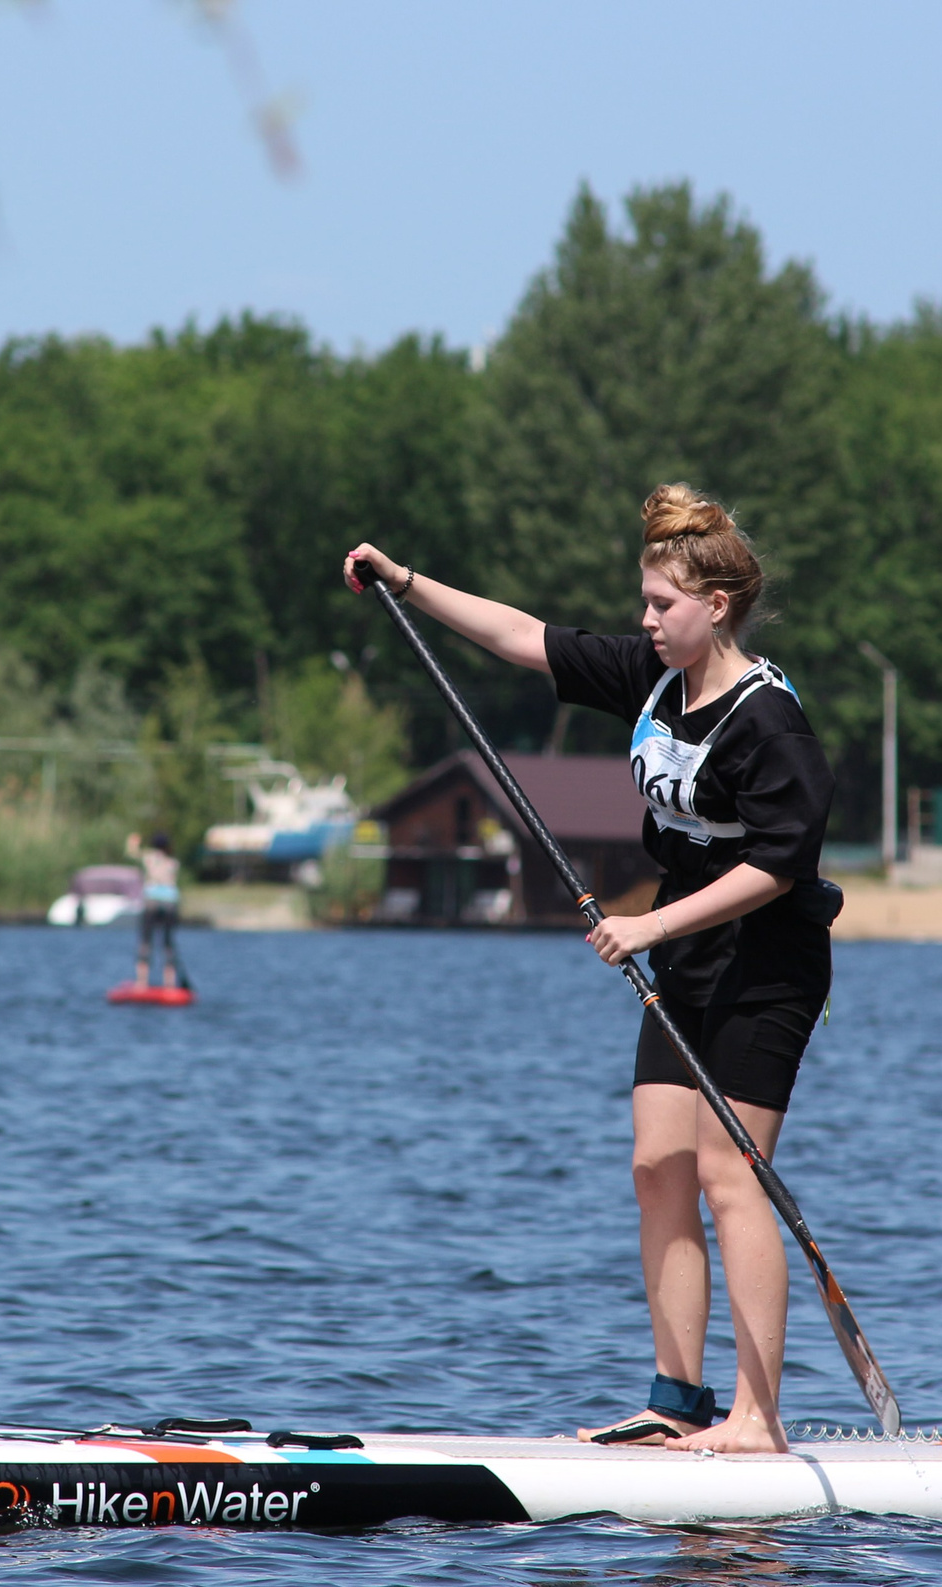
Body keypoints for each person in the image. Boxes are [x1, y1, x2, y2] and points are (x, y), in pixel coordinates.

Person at [344, 485, 833, 1457]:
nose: (645, 623)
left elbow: (779, 867)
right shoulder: (654, 679)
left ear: (716, 608)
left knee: (730, 1177)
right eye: (642, 604)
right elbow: (525, 638)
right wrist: (405, 581)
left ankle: (757, 1422)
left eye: (662, 606)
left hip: (767, 965)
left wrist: (646, 930)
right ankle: (675, 1399)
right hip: (684, 955)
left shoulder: (767, 721)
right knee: (657, 1169)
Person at [128, 831, 186, 989]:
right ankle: (170, 983)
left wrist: (133, 841)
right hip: (170, 903)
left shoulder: (149, 858)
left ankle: (142, 982)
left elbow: (132, 853)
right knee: (168, 943)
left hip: (152, 902)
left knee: (146, 941)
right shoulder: (173, 862)